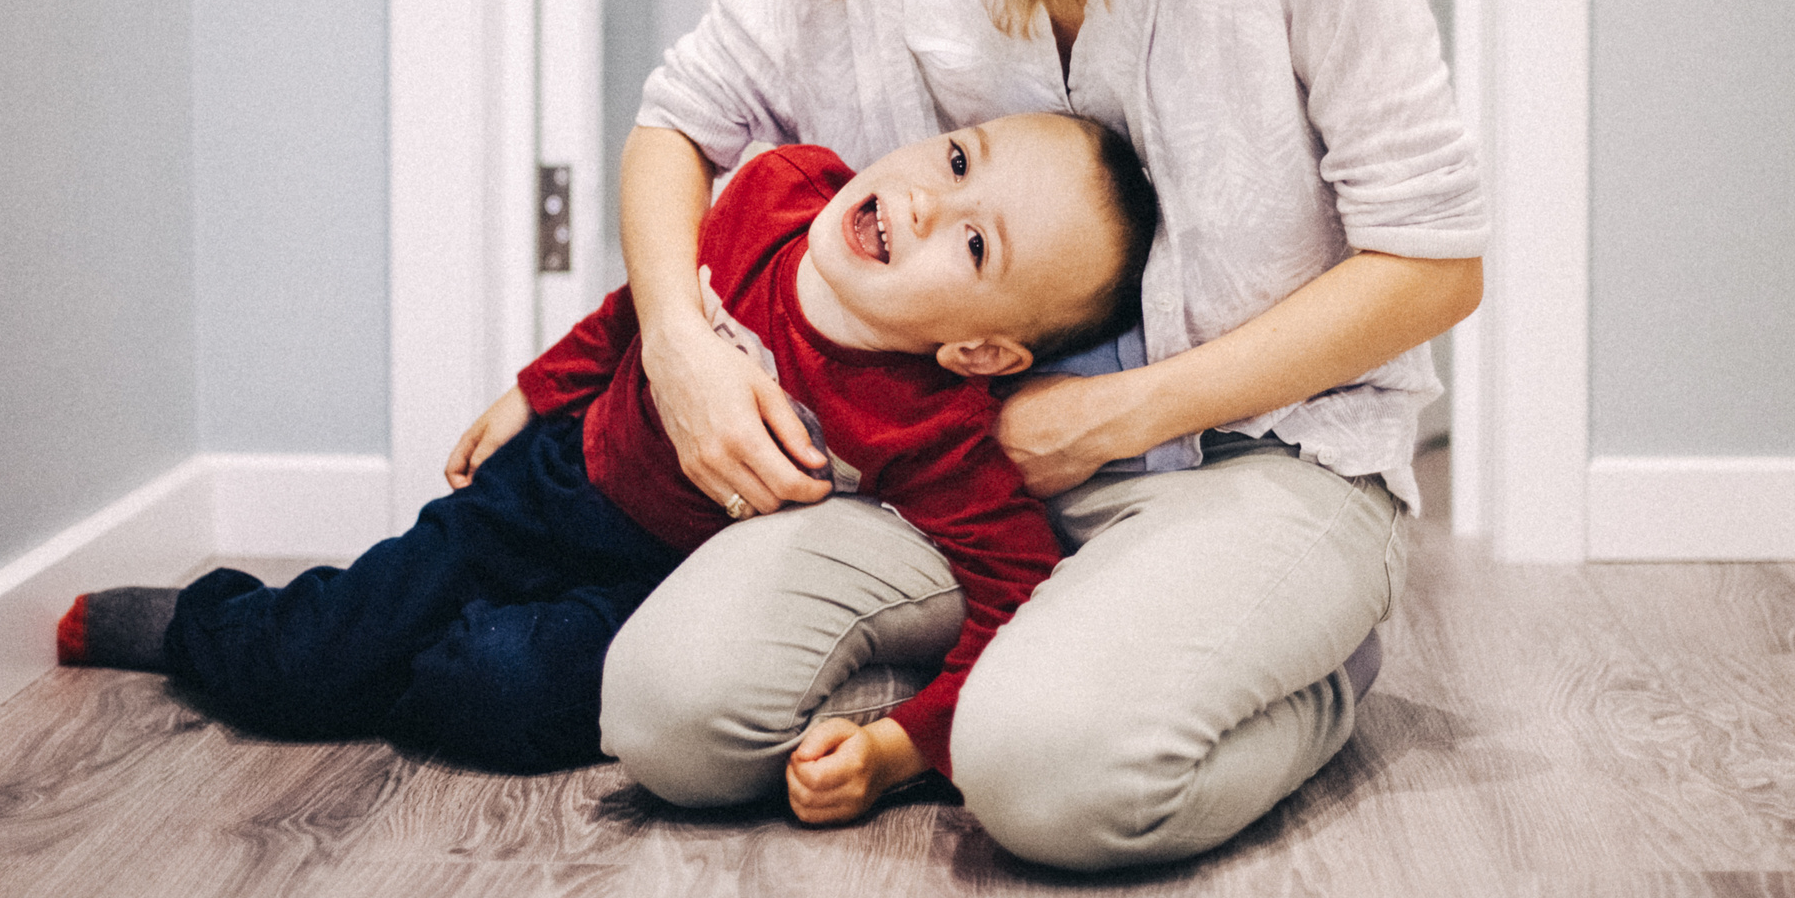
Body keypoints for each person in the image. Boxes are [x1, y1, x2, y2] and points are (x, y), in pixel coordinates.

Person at [593, 0, 1486, 870]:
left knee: (1042, 783)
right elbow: (677, 121)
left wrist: (1115, 414)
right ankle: (1026, 675)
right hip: (965, 471)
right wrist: (680, 348)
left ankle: (1294, 675)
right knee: (664, 715)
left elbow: (1435, 263)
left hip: (1272, 460)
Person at [56, 112, 1158, 824]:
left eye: (974, 245)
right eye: (957, 157)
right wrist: (535, 390)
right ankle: (197, 625)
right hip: (542, 490)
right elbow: (639, 304)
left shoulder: (935, 431)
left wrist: (899, 747)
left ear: (980, 353)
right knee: (305, 665)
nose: (925, 199)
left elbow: (1015, 597)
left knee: (497, 693)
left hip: (648, 588)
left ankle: (403, 658)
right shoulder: (777, 193)